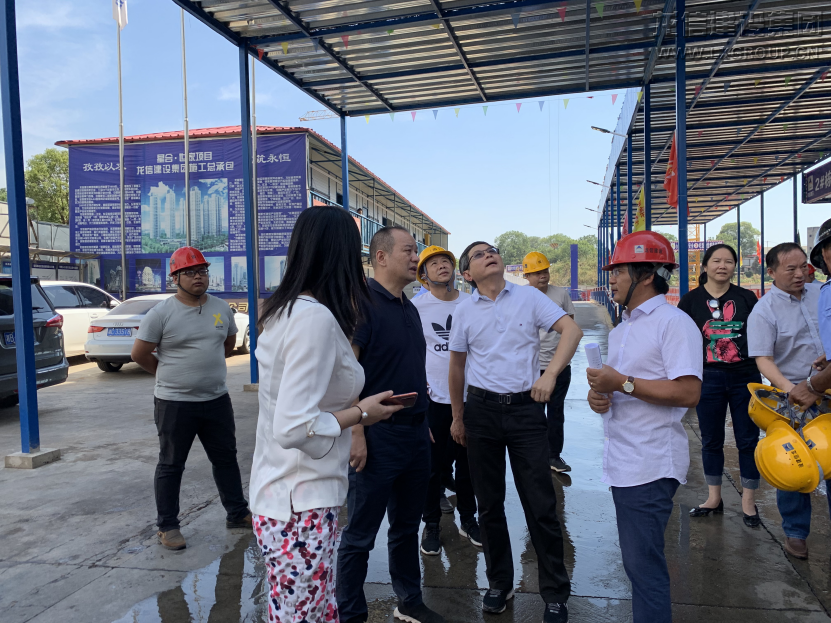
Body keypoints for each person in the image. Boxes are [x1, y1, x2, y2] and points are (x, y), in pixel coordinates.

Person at [248, 206, 403, 623]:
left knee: (304, 610)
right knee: (304, 615)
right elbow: (293, 427)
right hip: (300, 503)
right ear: (342, 255)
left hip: (286, 496)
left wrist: (359, 413)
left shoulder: (286, 311)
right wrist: (360, 413)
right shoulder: (313, 319)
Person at [448, 242, 583, 623]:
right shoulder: (464, 311)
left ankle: (554, 593)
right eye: (478, 255)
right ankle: (499, 583)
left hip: (525, 411)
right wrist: (458, 417)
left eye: (492, 250)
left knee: (541, 505)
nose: (489, 254)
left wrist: (550, 374)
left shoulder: (528, 298)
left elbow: (571, 331)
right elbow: (456, 367)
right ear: (467, 274)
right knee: (489, 504)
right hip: (481, 412)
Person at [586, 231, 702, 623]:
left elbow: (688, 392)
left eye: (618, 271)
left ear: (647, 274)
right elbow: (620, 388)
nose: (611, 280)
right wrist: (601, 397)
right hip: (624, 460)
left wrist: (622, 383)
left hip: (650, 464)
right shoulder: (623, 329)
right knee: (637, 566)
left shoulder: (673, 323)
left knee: (644, 569)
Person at [337, 227, 444, 623]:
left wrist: (422, 420)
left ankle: (409, 600)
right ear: (381, 257)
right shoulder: (362, 304)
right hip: (376, 435)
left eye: (416, 251)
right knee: (360, 534)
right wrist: (357, 433)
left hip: (415, 434)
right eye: (408, 251)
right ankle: (350, 612)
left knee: (406, 526)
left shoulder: (408, 307)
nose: (416, 258)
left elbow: (412, 369)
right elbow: (345, 375)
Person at [132, 247, 252, 551]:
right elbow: (140, 354)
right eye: (189, 272)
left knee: (226, 458)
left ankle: (237, 513)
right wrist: (169, 375)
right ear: (175, 278)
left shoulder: (221, 308)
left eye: (202, 271)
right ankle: (168, 526)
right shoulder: (161, 314)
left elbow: (227, 344)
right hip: (174, 403)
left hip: (216, 399)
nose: (198, 277)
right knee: (171, 464)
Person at [748, 242, 825, 560]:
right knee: (793, 462)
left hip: (828, 388)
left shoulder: (822, 293)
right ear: (771, 272)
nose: (799, 274)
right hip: (793, 397)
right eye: (790, 269)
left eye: (803, 266)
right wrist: (792, 390)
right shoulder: (764, 310)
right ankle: (795, 533)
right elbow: (763, 360)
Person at [677, 244, 763, 527]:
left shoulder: (747, 298)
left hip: (745, 377)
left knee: (747, 440)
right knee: (711, 439)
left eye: (728, 261)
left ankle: (748, 502)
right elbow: (681, 340)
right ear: (705, 266)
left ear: (734, 267)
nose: (722, 266)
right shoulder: (690, 301)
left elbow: (761, 335)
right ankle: (714, 497)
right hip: (708, 377)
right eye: (716, 261)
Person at [412, 245, 481, 556]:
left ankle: (468, 519)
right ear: (424, 276)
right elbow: (411, 353)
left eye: (445, 261)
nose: (441, 266)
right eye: (433, 264)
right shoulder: (416, 308)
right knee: (431, 468)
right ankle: (431, 525)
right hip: (434, 400)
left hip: (472, 397)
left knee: (468, 466)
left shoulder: (471, 303)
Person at [522, 251, 577, 473]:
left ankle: (553, 456)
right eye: (536, 273)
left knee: (556, 413)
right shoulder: (520, 297)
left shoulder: (560, 294)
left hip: (559, 365)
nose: (542, 276)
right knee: (533, 414)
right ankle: (534, 456)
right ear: (527, 276)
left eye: (544, 271)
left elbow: (571, 327)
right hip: (532, 367)